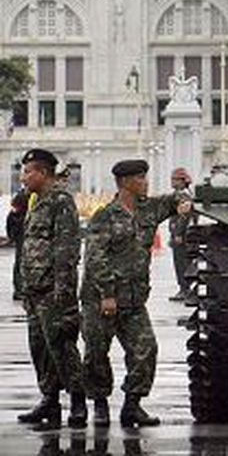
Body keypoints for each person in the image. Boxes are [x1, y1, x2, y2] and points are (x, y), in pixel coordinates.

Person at [80, 158, 192, 428]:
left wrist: (182, 203)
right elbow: (95, 259)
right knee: (96, 353)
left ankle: (132, 405)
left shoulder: (149, 209)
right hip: (100, 299)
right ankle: (100, 404)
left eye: (145, 177)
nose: (145, 182)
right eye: (140, 178)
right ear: (125, 183)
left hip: (133, 300)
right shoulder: (104, 216)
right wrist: (107, 294)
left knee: (146, 350)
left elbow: (178, 196)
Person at [16, 148, 86, 430]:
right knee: (39, 347)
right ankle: (49, 399)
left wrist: (63, 289)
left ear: (43, 173)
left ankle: (78, 401)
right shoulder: (37, 201)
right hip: (35, 291)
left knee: (62, 346)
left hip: (54, 292)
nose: (23, 177)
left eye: (28, 171)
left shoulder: (60, 202)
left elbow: (66, 249)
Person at [167, 167, 194, 302]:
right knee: (180, 263)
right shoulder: (179, 194)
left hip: (181, 236)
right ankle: (184, 289)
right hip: (178, 234)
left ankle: (185, 290)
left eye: (175, 179)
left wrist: (178, 233)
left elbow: (184, 216)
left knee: (181, 264)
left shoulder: (183, 196)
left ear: (183, 181)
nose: (172, 182)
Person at [6, 186, 29, 300]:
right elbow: (12, 217)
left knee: (22, 261)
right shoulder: (24, 195)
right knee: (21, 262)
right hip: (23, 233)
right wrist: (13, 236)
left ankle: (21, 289)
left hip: (23, 233)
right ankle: (19, 289)